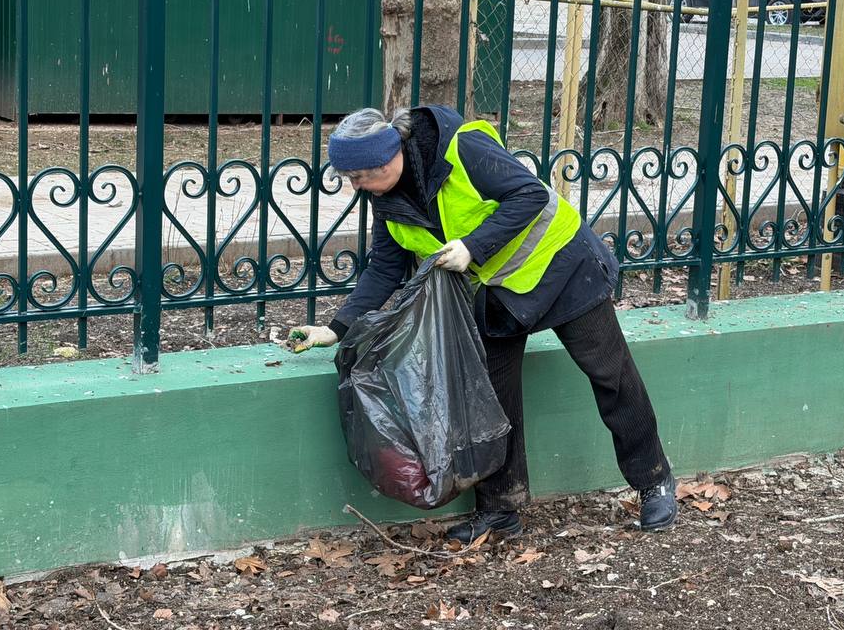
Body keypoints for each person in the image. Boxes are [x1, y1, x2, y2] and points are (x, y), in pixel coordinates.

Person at [289, 105, 676, 541]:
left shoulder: (463, 148)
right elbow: (383, 270)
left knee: (611, 376)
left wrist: (474, 246)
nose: (355, 188)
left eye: (358, 177)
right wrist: (336, 329)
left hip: (563, 267)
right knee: (491, 400)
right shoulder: (388, 202)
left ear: (386, 159)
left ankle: (653, 481)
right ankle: (500, 510)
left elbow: (530, 195)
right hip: (499, 297)